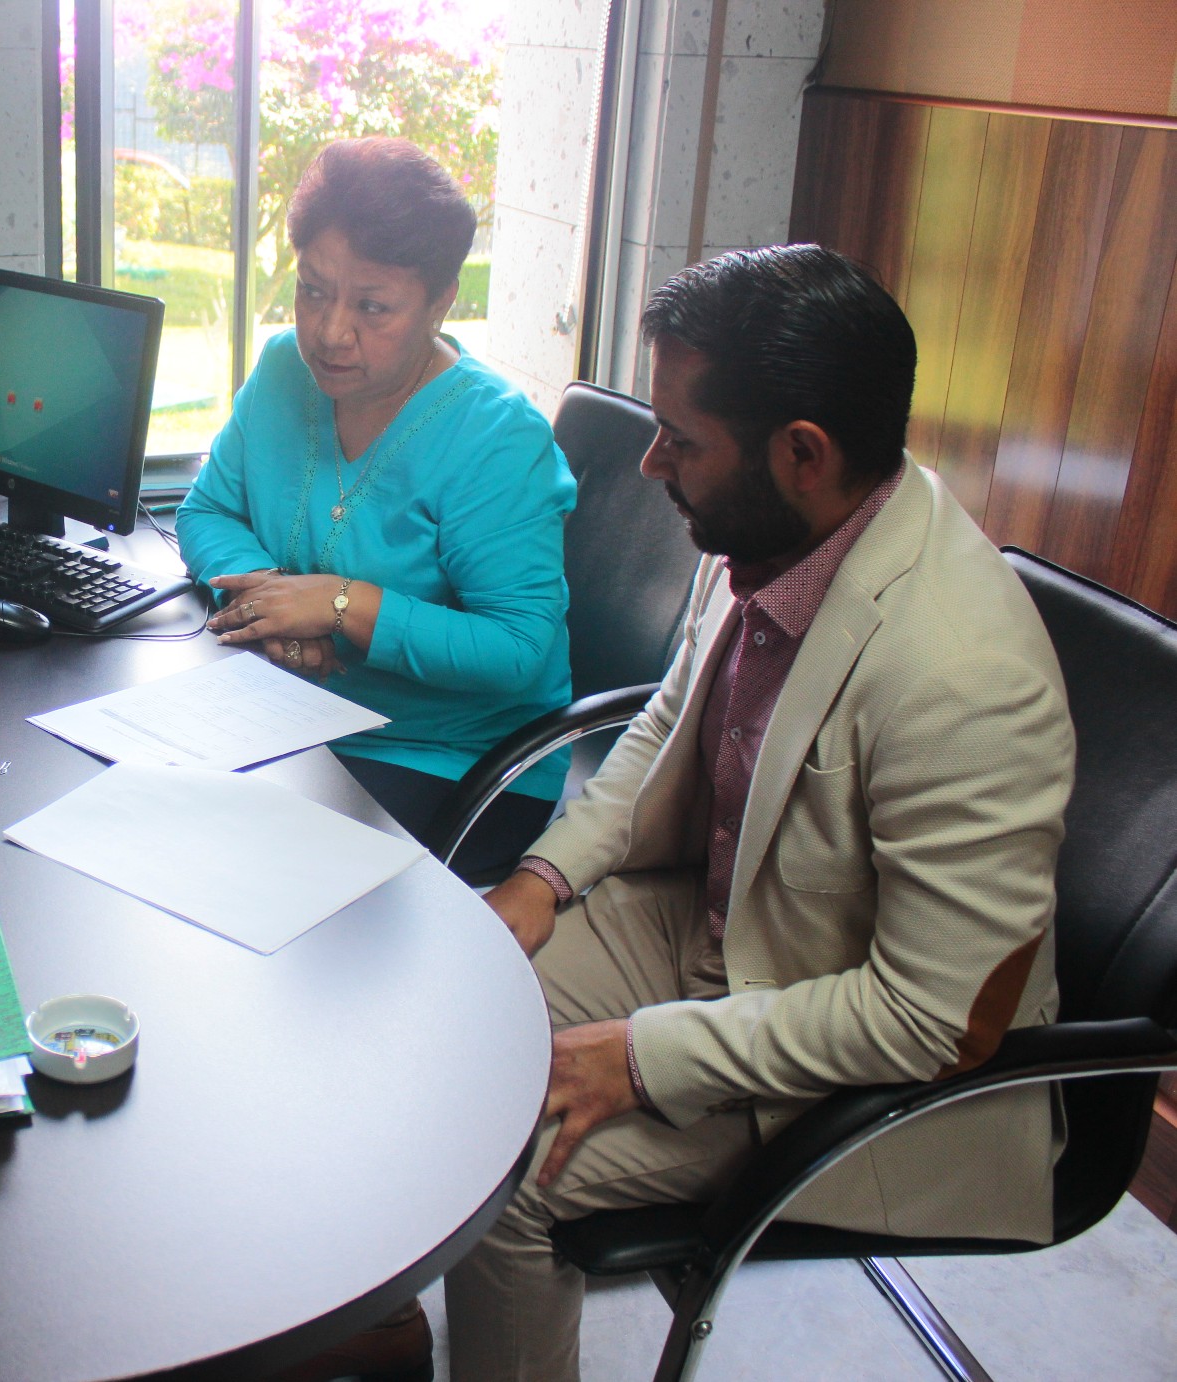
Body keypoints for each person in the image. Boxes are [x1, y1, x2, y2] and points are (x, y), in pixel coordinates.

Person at [444, 245, 1074, 1381]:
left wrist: (642, 1057)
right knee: (442, 1010)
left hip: (863, 1065)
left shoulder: (961, 671)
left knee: (500, 1168)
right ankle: (387, 1324)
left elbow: (935, 1023)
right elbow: (663, 727)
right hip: (724, 926)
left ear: (802, 452)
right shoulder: (775, 526)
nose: (652, 462)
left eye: (679, 440)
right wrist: (542, 879)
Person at [177, 137, 576, 879]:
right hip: (295, 712)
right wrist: (272, 604)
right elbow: (207, 512)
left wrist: (340, 605)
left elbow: (518, 648)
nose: (331, 332)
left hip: (454, 760)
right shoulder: (283, 369)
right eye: (313, 291)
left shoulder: (496, 438)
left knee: (241, 869)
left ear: (441, 301)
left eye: (372, 307)